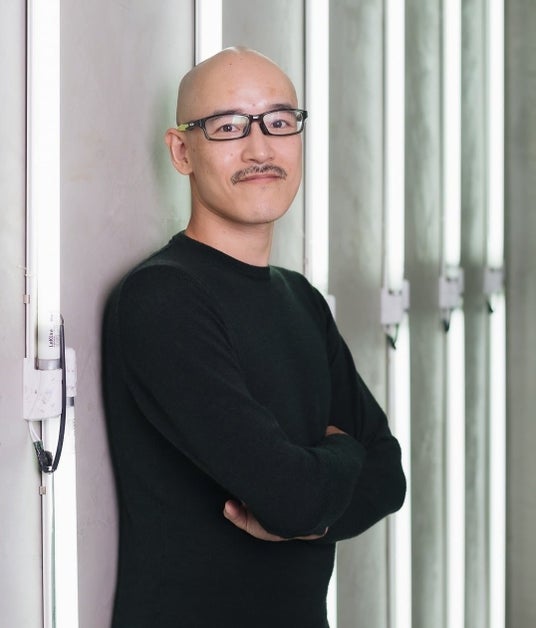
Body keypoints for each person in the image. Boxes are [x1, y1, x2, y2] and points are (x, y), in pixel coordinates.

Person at [102, 46, 405, 628]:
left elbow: (388, 478)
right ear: (182, 151)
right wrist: (343, 453)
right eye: (228, 126)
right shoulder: (163, 298)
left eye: (280, 122)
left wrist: (308, 500)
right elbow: (296, 498)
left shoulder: (300, 297)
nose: (260, 149)